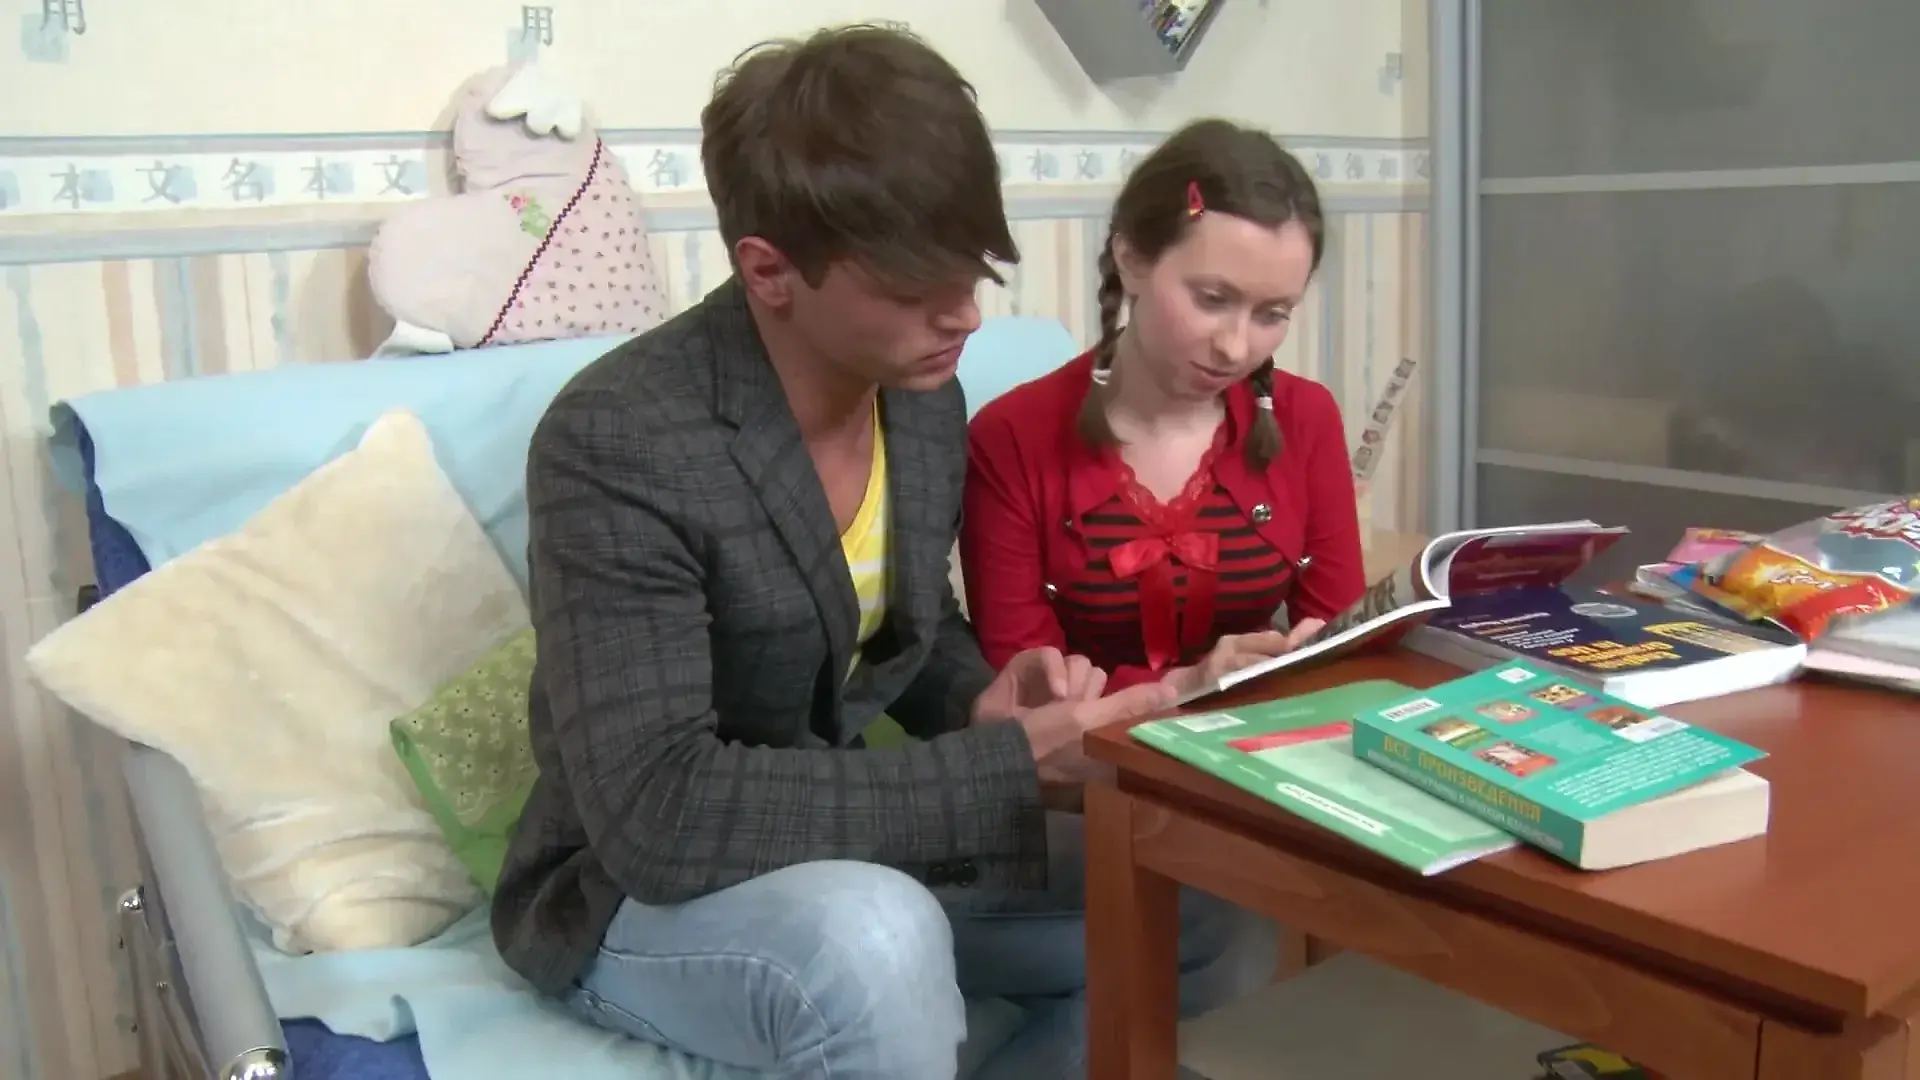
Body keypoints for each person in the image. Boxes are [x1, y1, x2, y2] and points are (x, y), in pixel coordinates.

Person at [493, 26, 1264, 1080]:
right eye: (911, 288)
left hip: (833, 828)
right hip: (631, 888)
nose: (964, 314)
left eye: (969, 269)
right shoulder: (620, 439)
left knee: (1202, 896)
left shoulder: (921, 397)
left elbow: (909, 624)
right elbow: (659, 810)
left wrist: (979, 698)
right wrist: (1004, 768)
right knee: (873, 938)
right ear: (769, 271)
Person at [961, 120, 1368, 701]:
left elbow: (1340, 640)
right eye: (1212, 299)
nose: (1236, 348)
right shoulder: (1010, 438)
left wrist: (1320, 654)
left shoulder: (1305, 418)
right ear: (1130, 259)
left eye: (1272, 314)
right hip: (1089, 750)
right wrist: (1183, 687)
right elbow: (1025, 691)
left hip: (1265, 732)